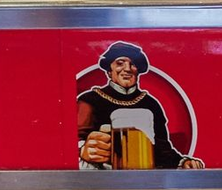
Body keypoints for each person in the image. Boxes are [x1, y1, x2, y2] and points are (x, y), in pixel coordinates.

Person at [78, 41, 205, 170]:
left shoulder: (151, 103)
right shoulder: (89, 100)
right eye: (120, 63)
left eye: (133, 64)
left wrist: (182, 162)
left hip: (146, 180)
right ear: (109, 70)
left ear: (138, 70)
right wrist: (83, 150)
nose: (127, 68)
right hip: (106, 181)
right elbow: (71, 142)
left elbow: (162, 149)